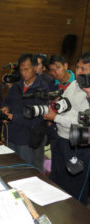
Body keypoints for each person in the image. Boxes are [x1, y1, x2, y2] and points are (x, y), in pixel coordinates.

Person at [43, 54, 90, 205]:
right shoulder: (74, 84)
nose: (78, 72)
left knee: (75, 190)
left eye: (83, 68)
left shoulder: (87, 92)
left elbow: (84, 124)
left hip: (79, 146)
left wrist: (55, 118)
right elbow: (67, 110)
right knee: (59, 184)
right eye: (78, 67)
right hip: (61, 141)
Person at [2, 53, 49, 171]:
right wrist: (5, 108)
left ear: (35, 68)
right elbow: (7, 101)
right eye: (21, 70)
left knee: (27, 171)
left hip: (28, 139)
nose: (23, 73)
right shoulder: (16, 86)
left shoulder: (42, 88)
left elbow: (38, 117)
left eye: (27, 69)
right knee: (11, 170)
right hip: (11, 136)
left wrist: (13, 117)